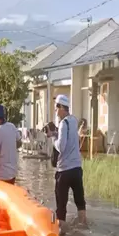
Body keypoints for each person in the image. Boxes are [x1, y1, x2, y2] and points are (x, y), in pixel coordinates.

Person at [48, 95, 87, 226]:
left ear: (61, 107)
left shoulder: (63, 124)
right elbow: (69, 139)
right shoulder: (73, 120)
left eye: (56, 107)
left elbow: (61, 147)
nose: (55, 110)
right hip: (76, 169)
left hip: (64, 171)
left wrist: (53, 140)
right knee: (80, 202)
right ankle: (83, 226)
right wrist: (55, 134)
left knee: (61, 207)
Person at [0, 104, 21, 184]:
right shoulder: (12, 126)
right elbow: (19, 143)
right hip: (13, 171)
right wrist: (10, 147)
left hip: (2, 174)